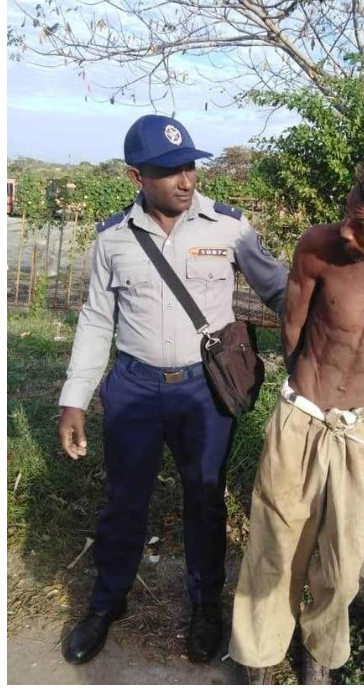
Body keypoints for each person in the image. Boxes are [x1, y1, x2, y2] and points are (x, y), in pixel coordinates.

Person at [57, 115, 288, 665]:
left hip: (202, 391)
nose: (185, 180)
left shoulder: (229, 228)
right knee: (123, 502)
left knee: (204, 500)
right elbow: (95, 320)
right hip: (134, 388)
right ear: (136, 175)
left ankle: (205, 605)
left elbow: (281, 290)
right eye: (168, 172)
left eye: (189, 166)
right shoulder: (113, 239)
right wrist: (75, 397)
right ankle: (107, 602)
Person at [229, 153, 364, 684]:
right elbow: (293, 329)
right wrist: (313, 391)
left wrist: (359, 395)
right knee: (275, 544)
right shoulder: (317, 247)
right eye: (347, 213)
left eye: (363, 224)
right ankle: (259, 652)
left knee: (344, 555)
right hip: (300, 417)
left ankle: (322, 650)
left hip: (361, 430)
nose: (346, 230)